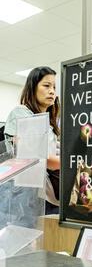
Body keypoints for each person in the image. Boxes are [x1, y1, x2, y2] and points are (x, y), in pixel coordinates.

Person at [4, 66, 60, 214]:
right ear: (32, 87)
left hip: (47, 195)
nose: (52, 91)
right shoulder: (21, 113)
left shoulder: (50, 123)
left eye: (54, 87)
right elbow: (38, 155)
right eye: (46, 85)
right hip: (23, 197)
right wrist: (67, 163)